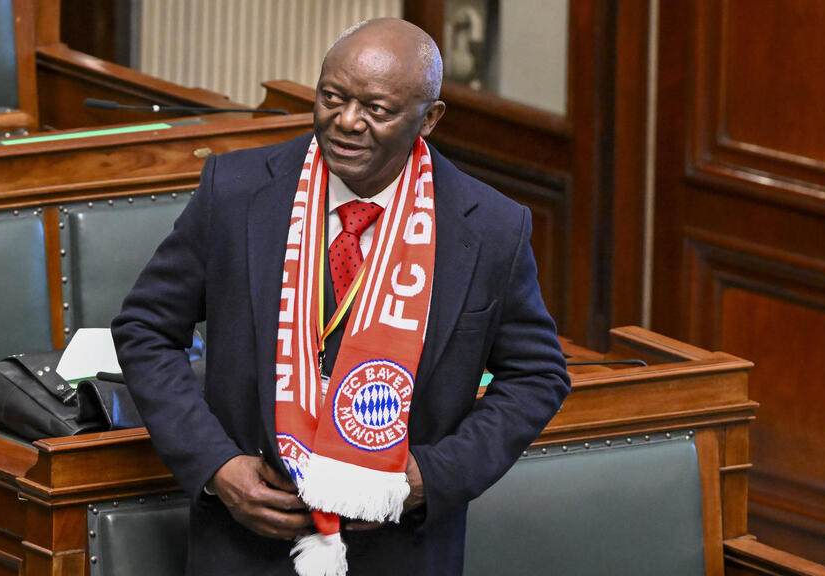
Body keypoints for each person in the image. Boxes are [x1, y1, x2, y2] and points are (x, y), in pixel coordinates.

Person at [112, 17, 570, 576]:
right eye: (331, 97)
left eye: (377, 109)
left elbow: (537, 376)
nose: (347, 121)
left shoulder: (491, 227)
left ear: (429, 119)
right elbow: (146, 329)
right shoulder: (236, 191)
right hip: (247, 542)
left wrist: (433, 477)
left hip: (399, 549)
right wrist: (215, 465)